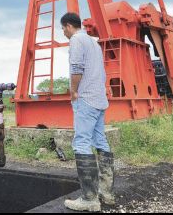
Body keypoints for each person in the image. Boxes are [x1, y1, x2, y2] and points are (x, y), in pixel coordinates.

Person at [60, 12, 115, 212]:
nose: (64, 32)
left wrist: (74, 90)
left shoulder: (76, 40)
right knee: (100, 141)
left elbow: (77, 67)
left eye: (63, 29)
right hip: (99, 99)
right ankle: (106, 194)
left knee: (81, 143)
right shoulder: (94, 43)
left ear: (68, 26)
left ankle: (89, 199)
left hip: (86, 99)